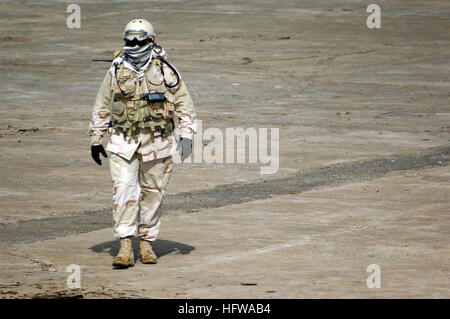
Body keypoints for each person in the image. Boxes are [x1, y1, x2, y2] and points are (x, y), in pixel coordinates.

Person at [88, 19, 197, 268]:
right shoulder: (116, 69)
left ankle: (147, 243)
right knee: (124, 189)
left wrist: (187, 134)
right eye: (129, 40)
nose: (134, 45)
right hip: (123, 141)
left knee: (153, 194)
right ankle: (125, 244)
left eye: (139, 40)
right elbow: (103, 104)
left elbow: (184, 103)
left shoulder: (166, 70)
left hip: (158, 143)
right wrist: (96, 137)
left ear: (151, 41)